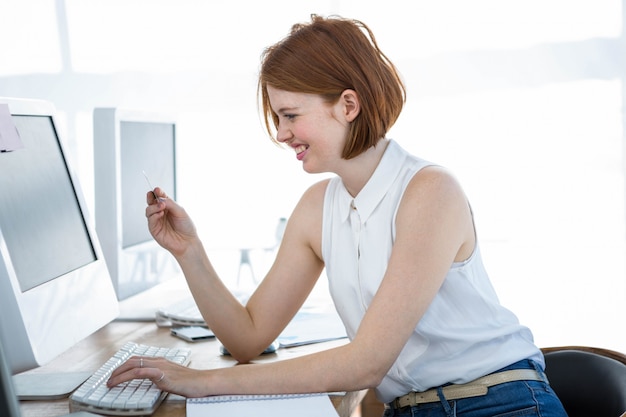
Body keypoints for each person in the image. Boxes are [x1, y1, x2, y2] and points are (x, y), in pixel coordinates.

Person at [108, 14, 568, 417]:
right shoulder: (317, 207)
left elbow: (367, 362)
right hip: (412, 410)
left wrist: (201, 383)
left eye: (290, 115)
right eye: (277, 118)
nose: (282, 134)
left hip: (499, 403)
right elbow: (248, 337)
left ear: (348, 105)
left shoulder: (430, 193)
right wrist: (190, 252)